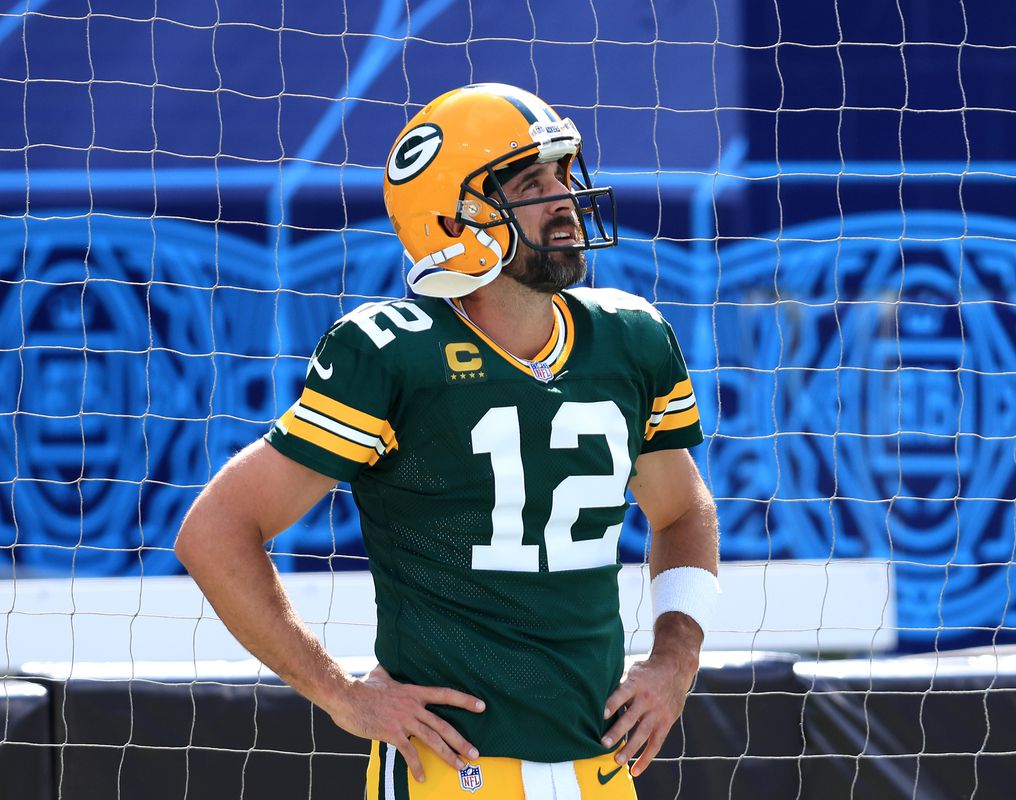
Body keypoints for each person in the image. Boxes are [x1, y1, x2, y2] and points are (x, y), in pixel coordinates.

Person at [175, 82, 719, 800]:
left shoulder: (627, 339)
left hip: (600, 771)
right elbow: (213, 531)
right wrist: (341, 693)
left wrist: (674, 659)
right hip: (451, 775)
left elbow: (683, 512)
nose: (563, 199)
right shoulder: (392, 356)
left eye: (562, 173)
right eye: (530, 183)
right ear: (454, 219)